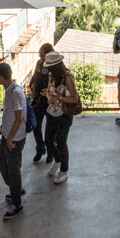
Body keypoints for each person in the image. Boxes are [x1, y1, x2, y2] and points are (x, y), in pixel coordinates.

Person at [41, 52, 78, 185]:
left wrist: (59, 98)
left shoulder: (68, 78)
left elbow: (75, 98)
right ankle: (58, 160)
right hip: (51, 112)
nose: (48, 70)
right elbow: (49, 91)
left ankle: (64, 170)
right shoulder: (51, 75)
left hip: (64, 114)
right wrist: (48, 95)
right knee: (48, 141)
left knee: (61, 142)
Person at [0, 63, 27, 220]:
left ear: (0, 77)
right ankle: (16, 189)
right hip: (8, 135)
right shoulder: (9, 90)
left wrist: (9, 139)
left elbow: (19, 119)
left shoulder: (15, 93)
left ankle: (17, 204)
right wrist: (3, 129)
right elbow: (9, 114)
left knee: (13, 170)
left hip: (14, 139)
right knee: (2, 163)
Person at [28, 42, 54, 163]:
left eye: (42, 55)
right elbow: (34, 77)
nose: (40, 57)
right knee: (36, 124)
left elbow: (57, 83)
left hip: (49, 100)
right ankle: (40, 148)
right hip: (38, 99)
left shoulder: (53, 66)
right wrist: (33, 88)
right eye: (39, 54)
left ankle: (50, 152)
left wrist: (48, 91)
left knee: (50, 128)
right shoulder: (39, 63)